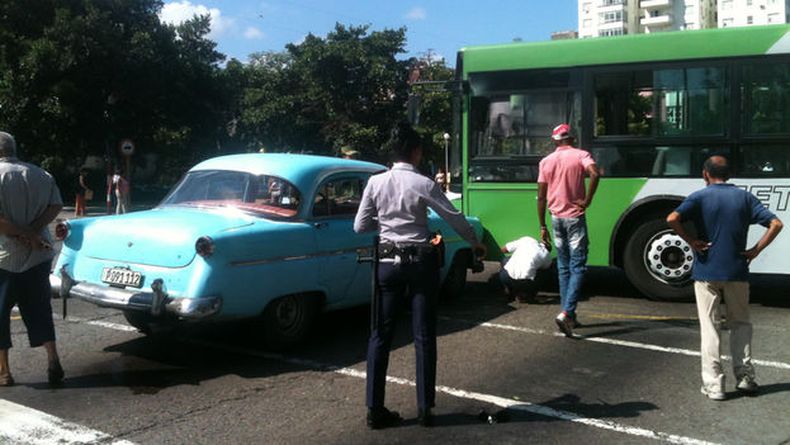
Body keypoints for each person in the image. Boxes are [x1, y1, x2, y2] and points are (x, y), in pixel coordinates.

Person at [354, 121, 487, 429]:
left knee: (380, 334)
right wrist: (474, 242)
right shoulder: (424, 184)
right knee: (424, 335)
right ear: (415, 152)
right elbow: (452, 217)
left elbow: (359, 227)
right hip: (420, 263)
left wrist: (387, 225)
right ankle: (425, 408)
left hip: (387, 262)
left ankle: (375, 409)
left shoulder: (375, 183)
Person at [667, 156, 783, 401]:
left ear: (705, 174)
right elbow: (775, 223)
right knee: (741, 322)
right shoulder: (745, 198)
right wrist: (756, 250)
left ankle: (715, 385)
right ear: (728, 174)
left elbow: (672, 219)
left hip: (706, 271)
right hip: (737, 270)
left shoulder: (699, 197)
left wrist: (691, 241)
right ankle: (745, 377)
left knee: (710, 326)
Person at [0, 131, 65, 387]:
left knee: (0, 312)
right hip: (39, 255)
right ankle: (53, 360)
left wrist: (24, 233)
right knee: (39, 308)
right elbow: (56, 205)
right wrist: (34, 231)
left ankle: (4, 371)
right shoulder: (41, 174)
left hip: (4, 257)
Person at [537, 123, 599, 337]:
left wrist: (542, 225)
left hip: (555, 219)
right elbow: (595, 173)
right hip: (574, 218)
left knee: (563, 267)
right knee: (578, 266)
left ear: (555, 141)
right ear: (571, 138)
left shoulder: (546, 162)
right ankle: (567, 312)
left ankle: (568, 314)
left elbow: (541, 197)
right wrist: (587, 200)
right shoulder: (581, 155)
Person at [499, 236, 552, 303]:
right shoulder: (547, 255)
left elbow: (504, 249)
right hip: (525, 282)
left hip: (505, 276)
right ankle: (527, 295)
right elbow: (545, 268)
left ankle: (509, 290)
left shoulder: (527, 240)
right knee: (544, 271)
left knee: (505, 260)